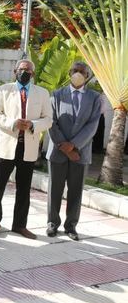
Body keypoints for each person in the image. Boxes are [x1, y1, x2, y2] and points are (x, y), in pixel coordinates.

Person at [0, 59, 52, 239]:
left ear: (33, 73)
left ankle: (19, 225)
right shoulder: (4, 90)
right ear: (15, 71)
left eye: (29, 70)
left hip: (29, 147)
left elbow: (48, 119)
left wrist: (32, 124)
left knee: (23, 189)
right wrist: (13, 123)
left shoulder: (42, 93)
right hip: (7, 145)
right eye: (22, 69)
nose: (25, 72)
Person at [46, 62, 101, 241]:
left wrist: (74, 145)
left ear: (87, 76)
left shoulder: (94, 97)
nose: (78, 74)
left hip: (80, 152)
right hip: (58, 151)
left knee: (75, 191)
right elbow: (51, 122)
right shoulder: (56, 95)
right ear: (69, 73)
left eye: (82, 72)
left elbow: (92, 126)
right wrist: (65, 146)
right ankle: (52, 223)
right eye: (75, 71)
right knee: (55, 189)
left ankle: (71, 226)